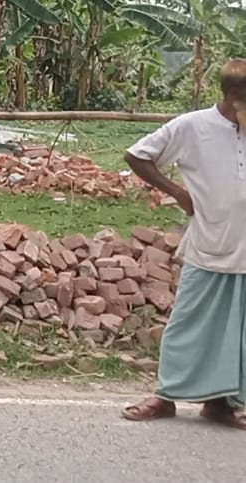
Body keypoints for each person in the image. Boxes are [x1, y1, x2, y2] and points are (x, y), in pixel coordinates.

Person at [121, 58, 246, 428]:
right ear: (235, 94)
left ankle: (222, 403)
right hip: (210, 243)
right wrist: (177, 192)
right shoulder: (193, 126)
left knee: (239, 331)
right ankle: (166, 396)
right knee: (188, 323)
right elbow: (137, 155)